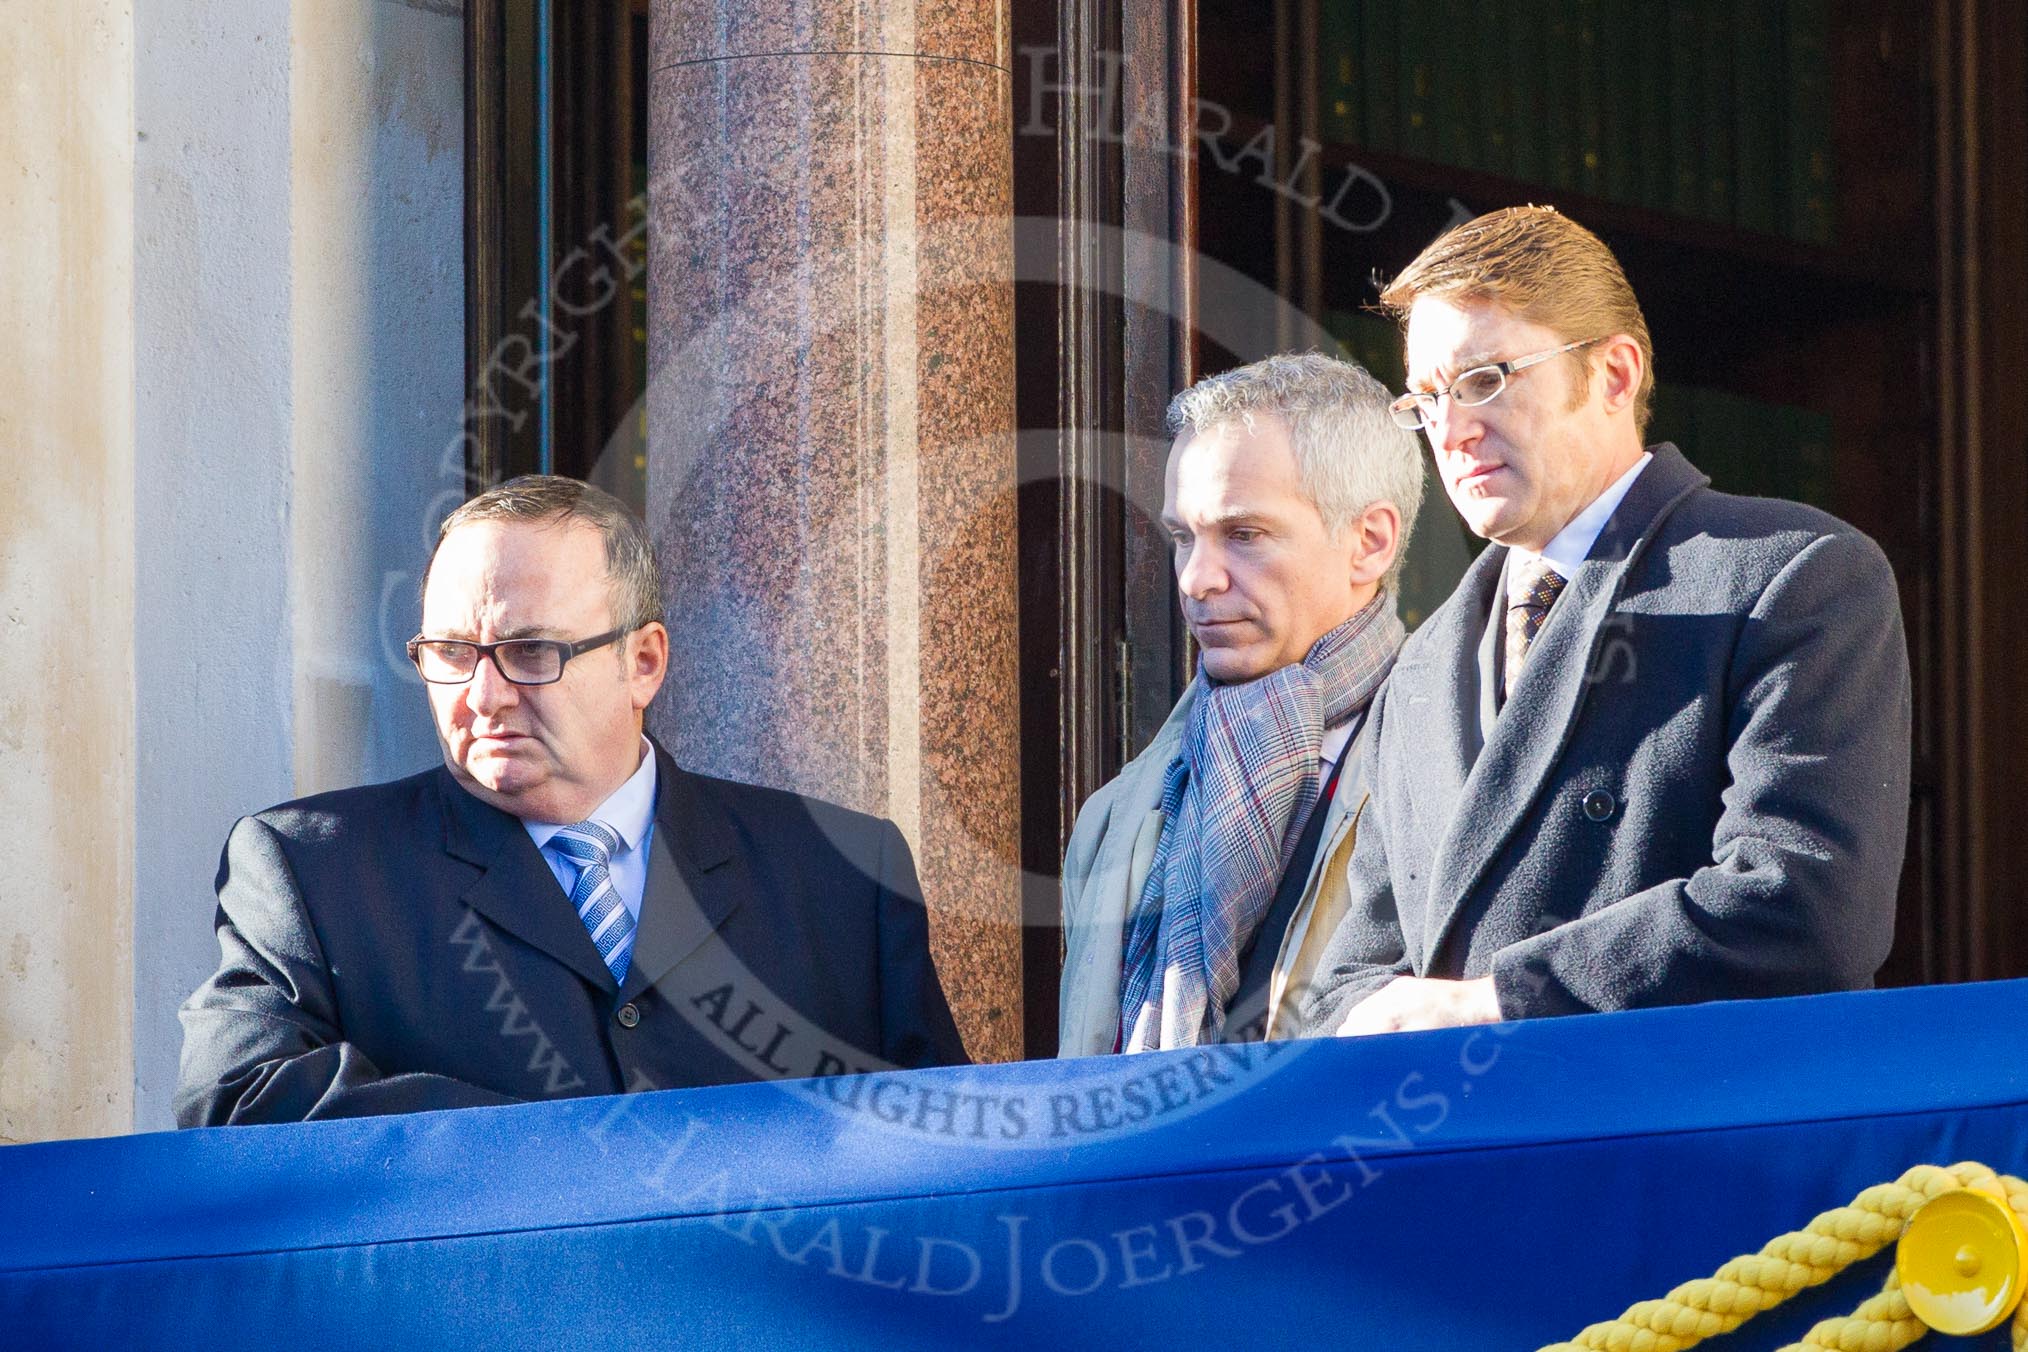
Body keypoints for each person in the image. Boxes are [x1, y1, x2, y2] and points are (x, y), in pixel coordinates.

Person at [177, 476, 964, 1126]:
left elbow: (940, 1148)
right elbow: (234, 1101)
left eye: (529, 652)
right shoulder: (314, 868)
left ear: (643, 662)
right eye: (451, 653)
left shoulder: (840, 874)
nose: (482, 696)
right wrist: (555, 1153)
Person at [1300, 206, 1912, 1037]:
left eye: (1486, 379)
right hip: (1466, 1155)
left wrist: (1500, 1003)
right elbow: (1357, 971)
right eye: (1427, 399)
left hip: (1683, 1145)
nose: (1452, 428)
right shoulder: (1422, 664)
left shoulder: (1793, 574)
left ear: (1615, 375)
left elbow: (1806, 904)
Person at [1059, 352, 1425, 1055]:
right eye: (1182, 538)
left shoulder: (1457, 765)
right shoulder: (1116, 818)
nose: (1197, 578)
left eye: (1244, 534)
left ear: (1369, 542)